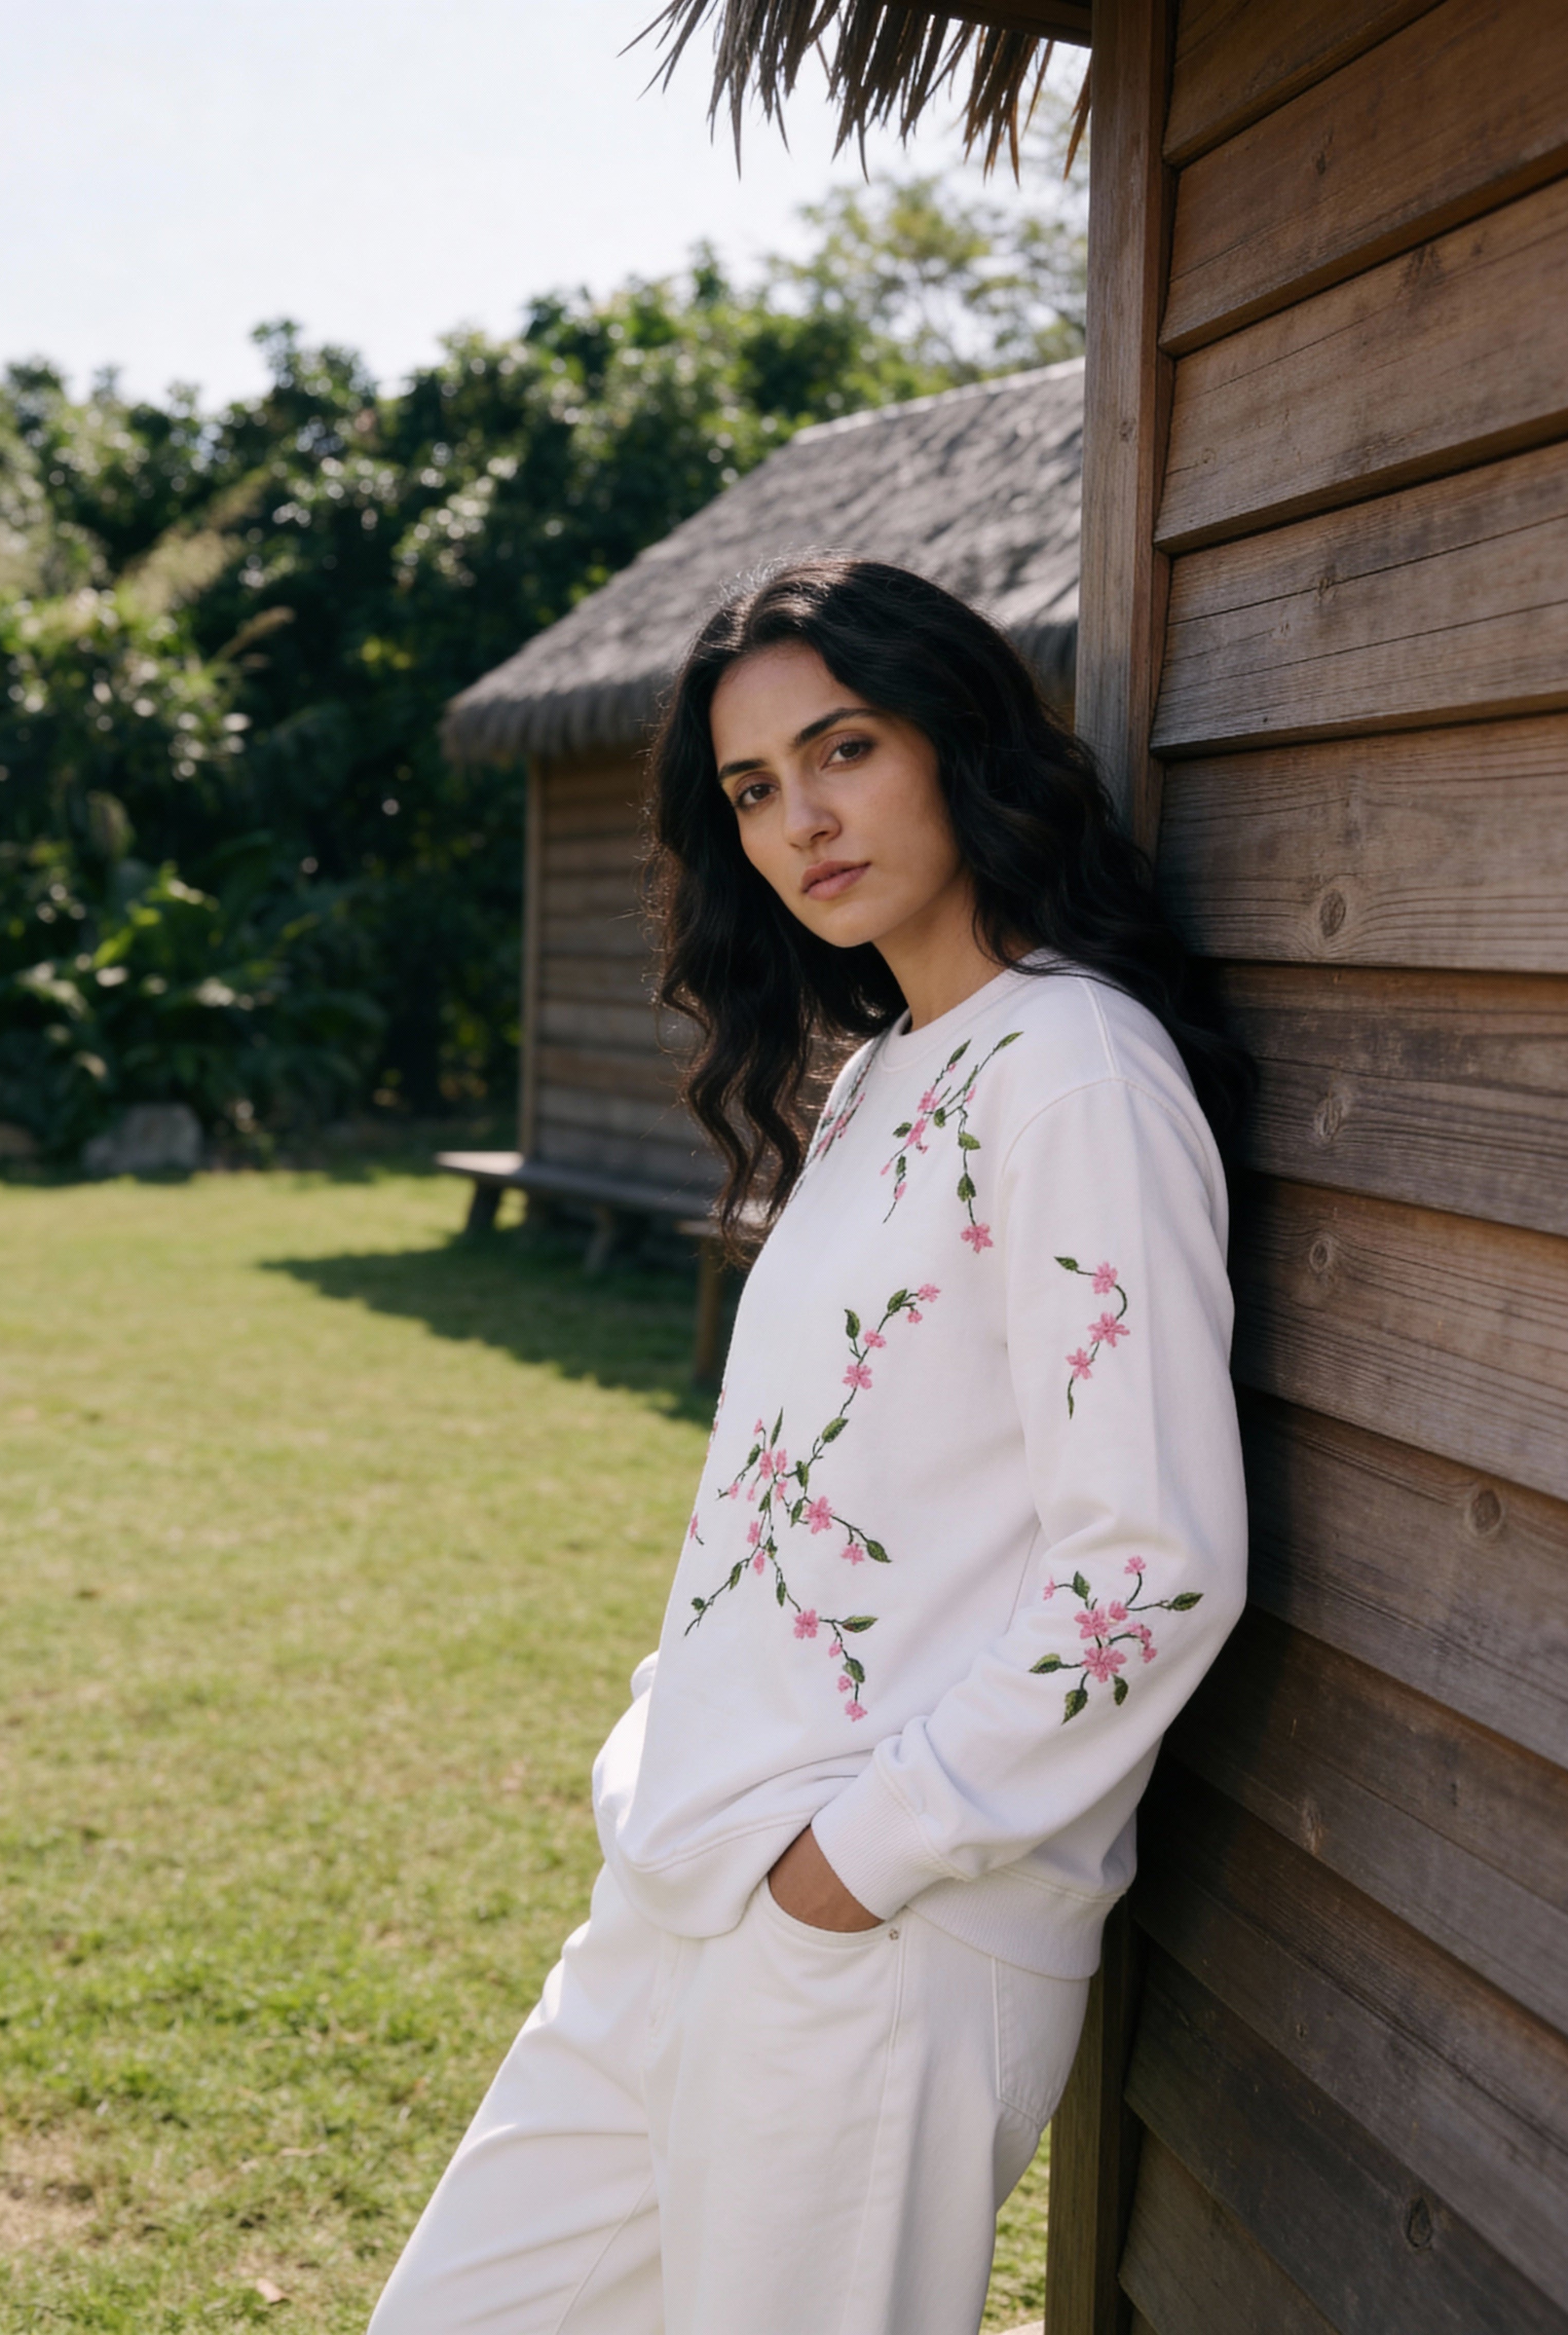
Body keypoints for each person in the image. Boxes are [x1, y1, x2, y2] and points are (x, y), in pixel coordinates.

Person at [369, 557, 1248, 2335]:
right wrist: (670, 1739)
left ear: (960, 743)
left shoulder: (1070, 1066)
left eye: (842, 750)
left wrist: (849, 1871)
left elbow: (1145, 1570)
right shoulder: (874, 1073)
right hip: (685, 1875)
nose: (799, 822)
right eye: (754, 790)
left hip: (873, 1935)